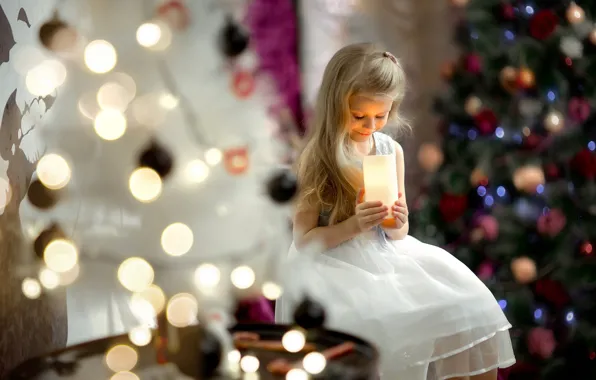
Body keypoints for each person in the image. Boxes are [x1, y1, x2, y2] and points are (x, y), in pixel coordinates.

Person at [275, 43, 516, 380]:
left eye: (381, 115)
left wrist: (398, 221)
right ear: (335, 103)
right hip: (330, 264)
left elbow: (397, 232)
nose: (370, 125)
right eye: (359, 115)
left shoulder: (390, 150)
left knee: (470, 303)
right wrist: (353, 225)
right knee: (384, 324)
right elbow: (304, 239)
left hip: (385, 253)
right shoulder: (318, 158)